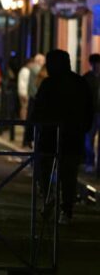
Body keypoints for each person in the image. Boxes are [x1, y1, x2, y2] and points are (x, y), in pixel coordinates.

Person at [31, 50, 92, 225]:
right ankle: (66, 210)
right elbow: (89, 108)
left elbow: (38, 108)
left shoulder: (48, 84)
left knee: (45, 169)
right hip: (73, 135)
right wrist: (84, 128)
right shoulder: (80, 83)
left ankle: (49, 197)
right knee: (69, 175)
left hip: (51, 135)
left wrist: (33, 128)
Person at [23, 54, 46, 147]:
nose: (44, 62)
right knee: (32, 118)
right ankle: (29, 139)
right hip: (35, 97)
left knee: (31, 118)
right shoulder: (37, 69)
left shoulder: (34, 68)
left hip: (33, 96)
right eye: (43, 60)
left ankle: (28, 139)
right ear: (39, 61)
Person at [83, 54, 100, 174]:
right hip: (91, 112)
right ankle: (90, 161)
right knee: (89, 139)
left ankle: (98, 166)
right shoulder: (87, 78)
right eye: (95, 64)